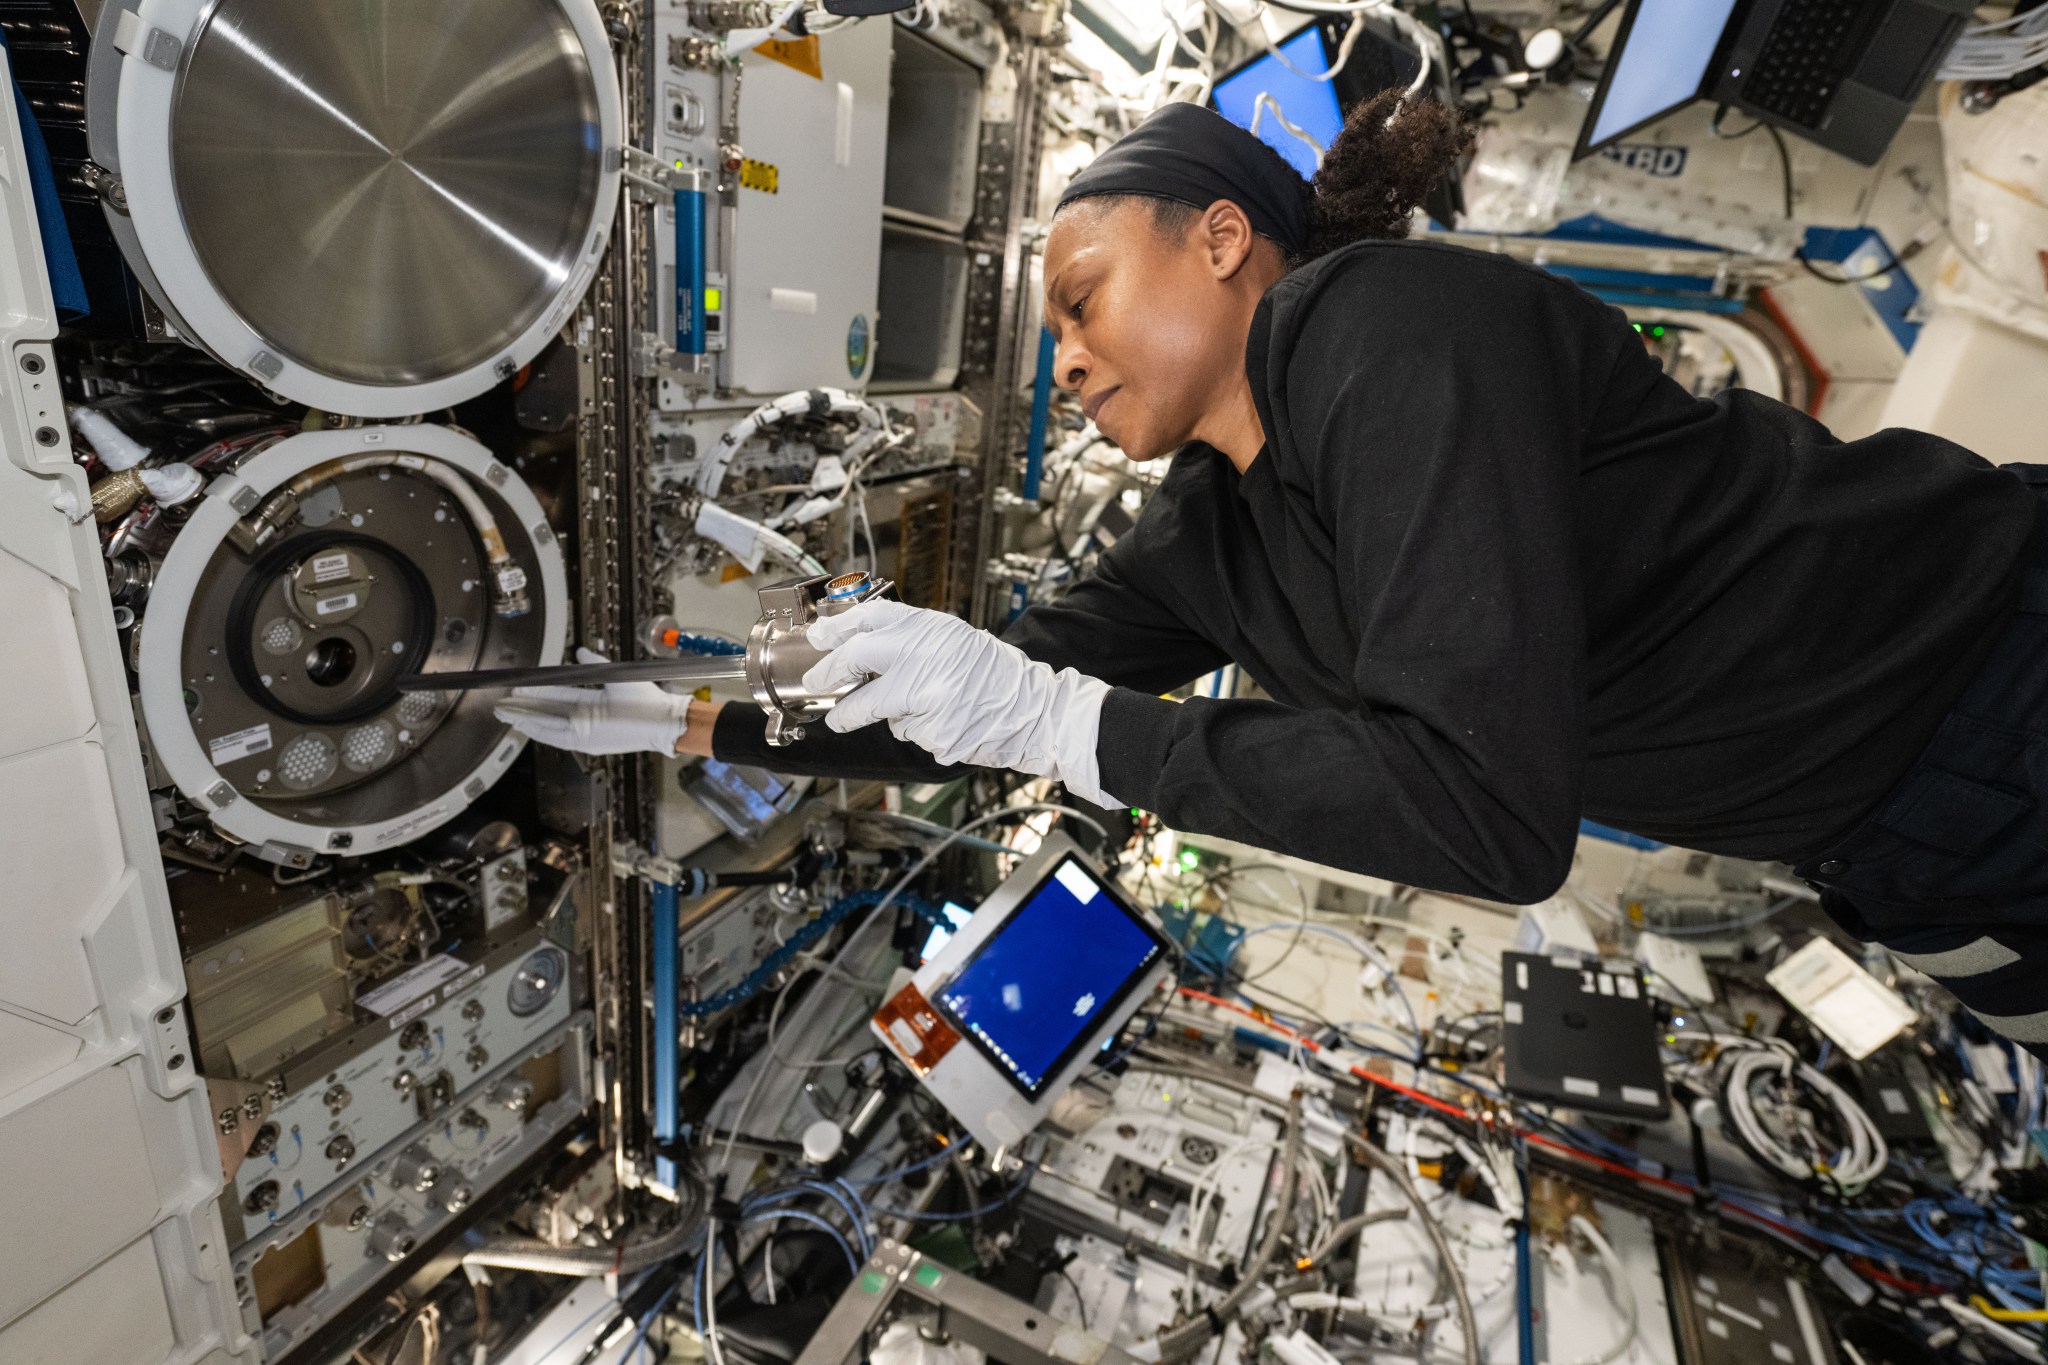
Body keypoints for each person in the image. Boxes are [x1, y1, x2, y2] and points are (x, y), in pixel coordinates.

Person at [497, 93, 2048, 1055]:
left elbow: (1489, 814)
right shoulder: (1217, 529)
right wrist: (704, 718)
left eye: (1088, 296)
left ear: (1224, 238)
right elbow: (973, 698)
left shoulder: (1386, 328)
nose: (1070, 355)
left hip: (2001, 662)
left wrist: (1058, 725)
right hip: (1887, 837)